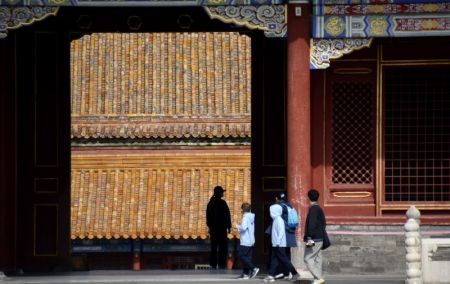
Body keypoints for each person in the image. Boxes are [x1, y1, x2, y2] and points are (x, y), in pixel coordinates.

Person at [264, 204, 300, 283]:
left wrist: (277, 242)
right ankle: (271, 275)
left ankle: (295, 273)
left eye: (271, 211)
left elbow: (281, 232)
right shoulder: (276, 219)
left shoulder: (279, 220)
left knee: (284, 259)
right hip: (276, 243)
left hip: (279, 244)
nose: (270, 212)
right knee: (274, 259)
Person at [303, 189, 327, 284]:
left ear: (308, 197)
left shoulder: (313, 209)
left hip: (313, 239)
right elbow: (324, 224)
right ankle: (318, 278)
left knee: (307, 258)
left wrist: (308, 236)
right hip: (320, 237)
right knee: (317, 258)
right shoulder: (319, 208)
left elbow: (311, 224)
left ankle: (318, 277)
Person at [206, 185, 231, 269]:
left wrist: (210, 226)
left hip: (213, 229)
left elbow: (208, 217)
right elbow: (227, 215)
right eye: (222, 192)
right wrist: (229, 226)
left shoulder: (210, 203)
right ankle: (221, 263)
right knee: (222, 246)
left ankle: (213, 263)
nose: (223, 193)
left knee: (213, 246)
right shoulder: (222, 203)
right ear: (219, 193)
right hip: (221, 228)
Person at [274, 192, 298, 280]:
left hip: (283, 233)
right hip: (290, 232)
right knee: (286, 254)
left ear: (277, 198)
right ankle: (286, 273)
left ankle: (288, 272)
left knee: (280, 254)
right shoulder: (290, 206)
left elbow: (278, 221)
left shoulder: (279, 207)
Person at [235, 203, 259, 279]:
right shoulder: (251, 216)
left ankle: (254, 268)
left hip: (245, 240)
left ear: (243, 209)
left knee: (241, 256)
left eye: (242, 209)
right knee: (247, 257)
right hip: (251, 240)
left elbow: (244, 228)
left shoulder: (245, 217)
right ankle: (246, 274)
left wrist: (237, 226)